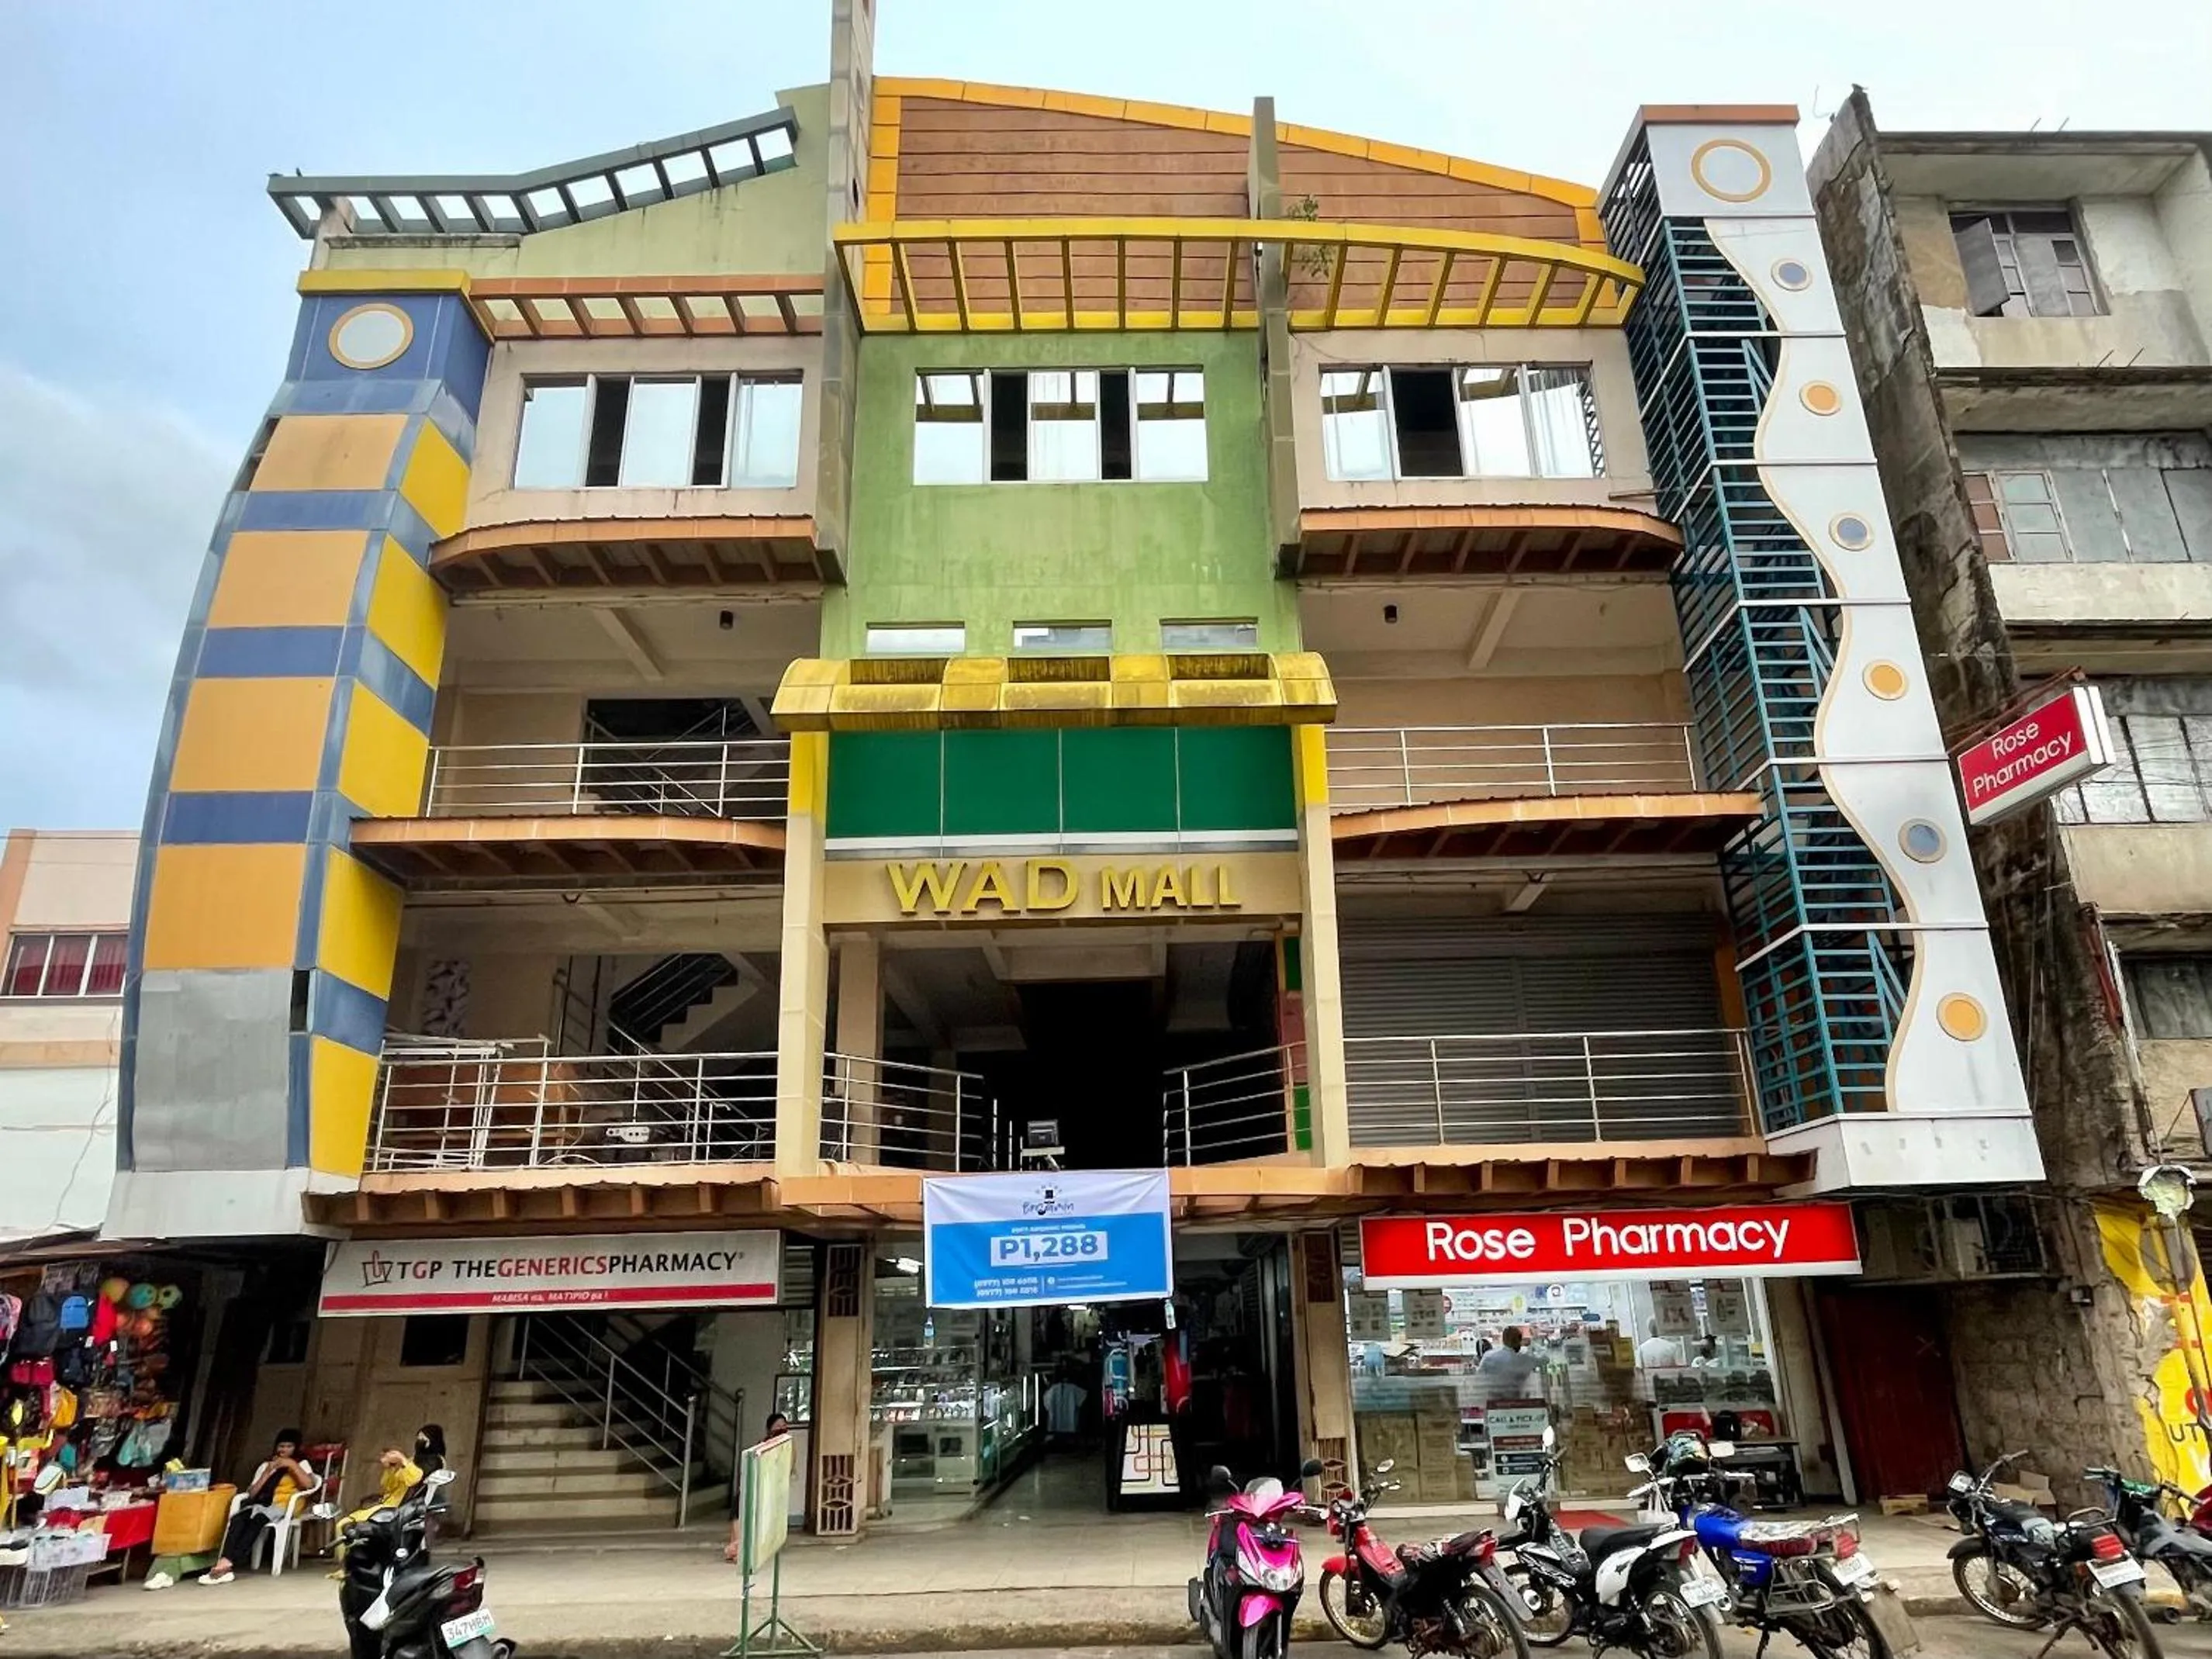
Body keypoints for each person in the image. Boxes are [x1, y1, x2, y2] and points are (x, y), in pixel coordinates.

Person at [202, 1429, 320, 1585]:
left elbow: (309, 1485)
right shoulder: (266, 1465)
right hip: (262, 1503)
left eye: (289, 1446)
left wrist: (292, 1465)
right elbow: (252, 1494)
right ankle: (225, 1560)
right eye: (281, 1446)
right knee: (238, 1519)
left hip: (285, 1505)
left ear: (296, 1448)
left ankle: (229, 1563)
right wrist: (267, 1473)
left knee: (258, 1520)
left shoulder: (301, 1464)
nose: (284, 1450)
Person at [724, 1412, 792, 1564]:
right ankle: (737, 1544)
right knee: (738, 1506)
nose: (781, 1428)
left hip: (770, 1487)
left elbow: (786, 1469)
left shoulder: (786, 1445)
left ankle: (738, 1548)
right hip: (755, 1483)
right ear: (770, 1428)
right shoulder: (762, 1443)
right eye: (778, 1425)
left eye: (784, 1425)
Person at [1475, 1326, 1543, 1402]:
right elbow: (1546, 1359)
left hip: (1494, 1404)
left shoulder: (1489, 1356)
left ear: (1503, 1340)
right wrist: (1533, 1343)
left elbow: (1478, 1377)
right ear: (1520, 1340)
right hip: (1517, 1403)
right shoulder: (1524, 1359)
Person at [1042, 1366, 1087, 1444]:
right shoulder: (1073, 1389)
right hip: (1070, 1424)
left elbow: (1047, 1403)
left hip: (1056, 1424)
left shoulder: (1053, 1389)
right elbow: (1083, 1397)